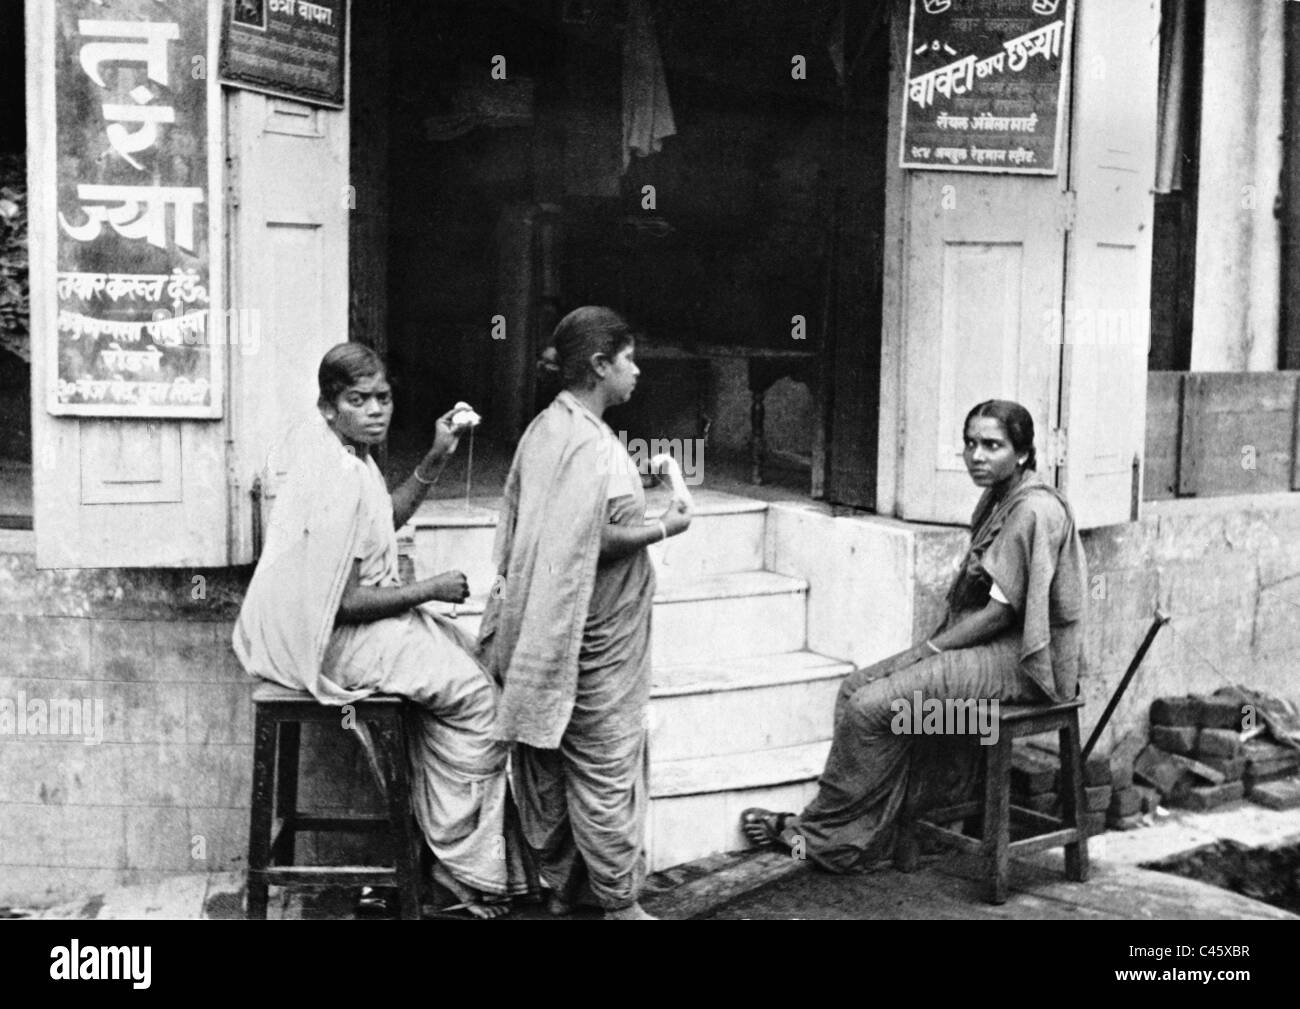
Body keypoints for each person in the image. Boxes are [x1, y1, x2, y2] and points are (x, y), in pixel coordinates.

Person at [233, 342, 532, 918]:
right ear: (328, 407)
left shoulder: (348, 456)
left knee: (469, 662)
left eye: (383, 398)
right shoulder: (334, 474)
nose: (375, 410)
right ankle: (456, 867)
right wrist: (429, 589)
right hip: (331, 642)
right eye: (357, 400)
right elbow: (341, 603)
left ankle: (435, 846)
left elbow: (382, 520)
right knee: (481, 704)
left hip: (339, 629)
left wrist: (437, 456)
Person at [741, 399, 1087, 872]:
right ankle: (868, 837)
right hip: (994, 645)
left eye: (992, 445)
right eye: (970, 444)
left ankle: (820, 838)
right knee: (855, 689)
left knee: (873, 708)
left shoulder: (1033, 509)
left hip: (1028, 663)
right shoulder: (998, 498)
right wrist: (925, 653)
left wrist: (926, 651)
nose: (976, 456)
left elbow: (995, 617)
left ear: (1024, 454)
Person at [478, 306, 692, 920]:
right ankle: (620, 907)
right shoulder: (589, 442)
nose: (637, 370)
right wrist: (664, 526)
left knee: (555, 765)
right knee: (604, 768)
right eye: (628, 358)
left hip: (555, 631)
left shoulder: (548, 428)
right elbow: (593, 536)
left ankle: (567, 892)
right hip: (593, 636)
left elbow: (550, 524)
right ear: (600, 366)